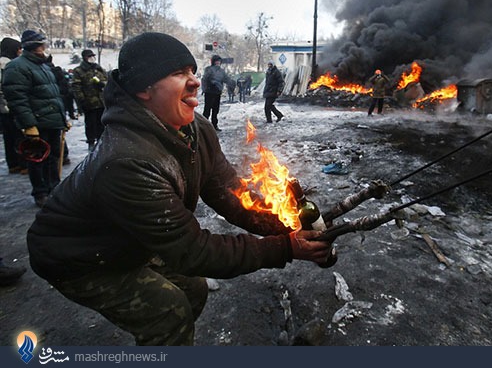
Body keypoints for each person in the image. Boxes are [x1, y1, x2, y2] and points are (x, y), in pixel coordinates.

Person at [26, 32, 332, 346]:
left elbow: (227, 191)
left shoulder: (196, 127)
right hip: (80, 256)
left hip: (130, 237)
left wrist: (288, 226)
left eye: (191, 71)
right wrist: (286, 248)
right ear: (144, 89)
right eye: (177, 74)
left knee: (193, 289)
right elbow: (192, 250)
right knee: (168, 315)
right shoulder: (126, 161)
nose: (195, 81)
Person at [2, 30, 68, 207]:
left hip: (52, 120)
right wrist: (29, 124)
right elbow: (17, 98)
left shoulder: (43, 66)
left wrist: (63, 118)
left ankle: (54, 188)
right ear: (32, 46)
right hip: (37, 122)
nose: (44, 48)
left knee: (53, 156)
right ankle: (41, 192)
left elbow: (54, 94)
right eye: (41, 45)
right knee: (38, 158)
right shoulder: (17, 67)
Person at [0, 37, 27, 174]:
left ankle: (13, 164)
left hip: (3, 109)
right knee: (19, 136)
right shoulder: (10, 65)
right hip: (11, 107)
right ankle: (23, 164)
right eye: (18, 49)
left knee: (8, 138)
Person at [71, 49, 108, 150]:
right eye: (89, 56)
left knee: (101, 124)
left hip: (101, 102)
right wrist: (82, 100)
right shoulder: (79, 71)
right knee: (90, 125)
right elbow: (76, 87)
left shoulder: (99, 69)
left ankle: (101, 144)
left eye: (92, 56)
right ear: (84, 58)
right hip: (89, 103)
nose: (91, 58)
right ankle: (91, 144)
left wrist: (101, 84)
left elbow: (106, 81)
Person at [201, 54, 230, 131]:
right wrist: (205, 88)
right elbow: (204, 79)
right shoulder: (208, 69)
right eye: (216, 61)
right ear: (213, 62)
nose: (218, 63)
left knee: (215, 110)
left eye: (219, 61)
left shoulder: (222, 71)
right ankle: (204, 127)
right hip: (209, 92)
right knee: (207, 110)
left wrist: (231, 82)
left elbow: (226, 79)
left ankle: (214, 125)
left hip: (217, 92)